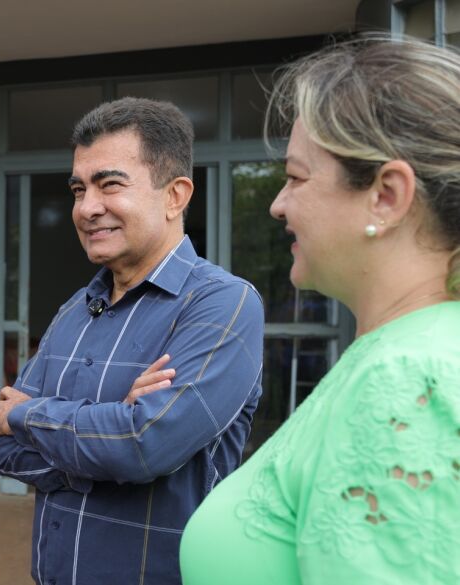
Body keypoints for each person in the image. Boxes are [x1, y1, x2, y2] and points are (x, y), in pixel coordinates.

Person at [180, 36, 460, 584]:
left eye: (296, 177)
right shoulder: (401, 350)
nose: (277, 203)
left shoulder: (404, 381)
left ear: (387, 195)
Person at [0, 98, 265, 584]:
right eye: (78, 189)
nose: (88, 208)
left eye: (109, 184)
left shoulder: (223, 304)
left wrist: (28, 415)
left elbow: (143, 445)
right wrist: (108, 440)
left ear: (175, 195)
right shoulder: (74, 309)